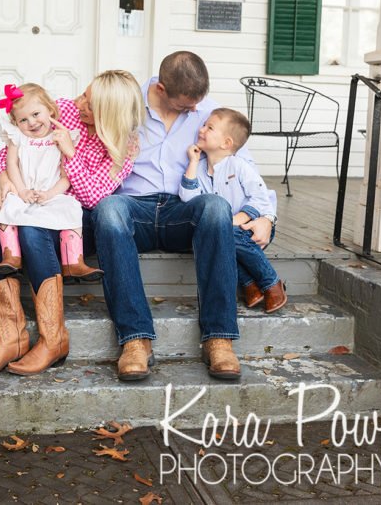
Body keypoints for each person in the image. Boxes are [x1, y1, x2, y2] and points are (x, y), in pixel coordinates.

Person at [92, 51, 275, 382]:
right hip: (135, 207)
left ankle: (219, 338)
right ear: (161, 89)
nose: (194, 111)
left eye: (197, 104)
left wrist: (267, 216)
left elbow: (244, 166)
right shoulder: (127, 103)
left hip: (182, 209)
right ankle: (135, 340)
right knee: (107, 209)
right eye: (185, 105)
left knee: (216, 206)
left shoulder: (208, 112)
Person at [0, 71, 144, 377]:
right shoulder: (67, 110)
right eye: (85, 93)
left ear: (107, 112)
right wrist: (6, 176)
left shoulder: (124, 147)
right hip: (32, 198)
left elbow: (91, 197)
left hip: (72, 216)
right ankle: (11, 337)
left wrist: (69, 154)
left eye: (90, 100)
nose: (80, 101)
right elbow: (12, 148)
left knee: (34, 233)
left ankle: (53, 338)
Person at [0, 83, 101, 282]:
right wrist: (21, 191)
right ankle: (11, 255)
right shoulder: (17, 138)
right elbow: (10, 164)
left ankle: (73, 261)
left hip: (51, 194)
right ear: (16, 123)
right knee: (8, 206)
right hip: (24, 191)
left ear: (50, 110)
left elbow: (66, 177)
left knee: (71, 206)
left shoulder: (62, 138)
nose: (31, 122)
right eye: (23, 119)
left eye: (36, 114)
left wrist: (50, 194)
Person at [180, 108, 286, 314]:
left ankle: (271, 282)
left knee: (225, 234)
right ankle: (249, 284)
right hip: (227, 229)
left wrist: (240, 217)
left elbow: (261, 198)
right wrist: (193, 163)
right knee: (216, 237)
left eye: (209, 127)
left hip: (250, 226)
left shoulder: (239, 166)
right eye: (203, 125)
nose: (201, 130)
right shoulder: (200, 169)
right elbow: (188, 199)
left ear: (226, 143)